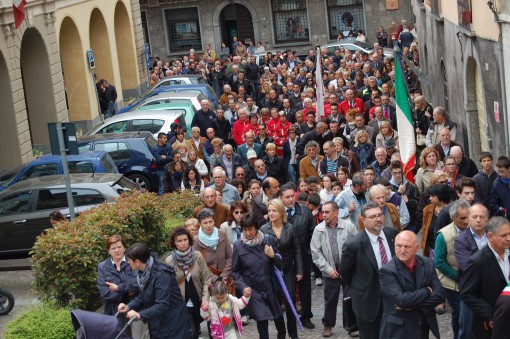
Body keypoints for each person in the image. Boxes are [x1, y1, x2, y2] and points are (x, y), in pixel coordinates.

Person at [340, 202, 399, 339]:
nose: (378, 219)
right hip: (368, 304)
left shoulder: (393, 235)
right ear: (363, 220)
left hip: (394, 300)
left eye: (380, 215)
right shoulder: (353, 245)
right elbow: (345, 274)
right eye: (373, 216)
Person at [379, 231, 445, 339]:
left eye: (407, 246)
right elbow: (402, 300)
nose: (402, 250)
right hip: (398, 330)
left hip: (422, 326)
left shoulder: (427, 263)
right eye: (399, 246)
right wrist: (427, 290)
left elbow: (440, 294)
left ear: (417, 247)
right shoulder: (387, 271)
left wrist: (410, 305)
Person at [231, 212, 287, 339]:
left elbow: (280, 263)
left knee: (279, 319)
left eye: (250, 229)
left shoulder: (267, 240)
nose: (248, 233)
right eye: (245, 230)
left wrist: (272, 256)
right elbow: (235, 271)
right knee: (262, 320)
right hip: (253, 290)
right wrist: (243, 286)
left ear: (256, 227)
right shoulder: (238, 245)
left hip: (270, 287)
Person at [118, 243, 191, 339]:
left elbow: (162, 304)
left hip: (174, 323)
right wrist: (128, 306)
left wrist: (140, 315)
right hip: (158, 323)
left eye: (129, 260)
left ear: (137, 262)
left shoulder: (162, 275)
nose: (127, 262)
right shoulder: (142, 273)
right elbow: (143, 296)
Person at [310, 201, 357, 337]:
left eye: (327, 212)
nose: (323, 215)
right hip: (329, 272)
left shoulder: (349, 227)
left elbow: (356, 248)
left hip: (348, 271)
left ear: (336, 213)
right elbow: (315, 252)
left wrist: (349, 267)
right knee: (330, 299)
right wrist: (328, 269)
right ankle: (328, 324)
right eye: (322, 212)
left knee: (350, 298)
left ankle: (352, 326)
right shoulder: (318, 229)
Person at [460, 217, 510, 339]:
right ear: (490, 236)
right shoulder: (477, 261)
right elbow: (467, 294)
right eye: (503, 235)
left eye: (509, 234)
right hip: (491, 324)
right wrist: (490, 314)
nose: (508, 238)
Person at [260, 199, 303, 339]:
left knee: (290, 299)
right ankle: (281, 332)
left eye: (274, 210)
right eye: (269, 210)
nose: (271, 213)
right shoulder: (263, 229)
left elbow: (297, 249)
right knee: (276, 302)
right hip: (272, 271)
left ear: (281, 212)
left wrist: (300, 270)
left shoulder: (290, 228)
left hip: (288, 269)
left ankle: (293, 332)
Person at [164, 227, 212, 337]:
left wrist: (205, 299)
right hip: (182, 303)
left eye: (185, 240)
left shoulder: (197, 256)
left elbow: (206, 280)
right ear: (174, 243)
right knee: (191, 332)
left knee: (206, 328)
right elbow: (170, 285)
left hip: (199, 300)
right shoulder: (169, 261)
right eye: (179, 241)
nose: (183, 243)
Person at [434, 199, 471, 338]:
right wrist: (458, 276)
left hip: (471, 280)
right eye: (462, 218)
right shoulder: (443, 235)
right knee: (460, 311)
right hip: (452, 281)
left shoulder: (475, 230)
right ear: (453, 217)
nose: (467, 221)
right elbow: (439, 262)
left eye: (469, 217)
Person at [454, 203, 489, 339]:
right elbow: (468, 267)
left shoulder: (493, 236)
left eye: (482, 216)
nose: (478, 220)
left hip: (491, 291)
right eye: (475, 217)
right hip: (470, 291)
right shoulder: (461, 240)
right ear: (468, 218)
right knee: (466, 329)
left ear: (487, 219)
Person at [97, 234, 138, 320]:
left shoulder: (133, 261)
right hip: (114, 312)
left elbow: (137, 283)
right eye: (113, 248)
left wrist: (118, 288)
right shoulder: (102, 267)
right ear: (109, 251)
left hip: (135, 308)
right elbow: (104, 292)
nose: (117, 250)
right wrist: (127, 293)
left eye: (119, 247)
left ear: (124, 248)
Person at [194, 208, 233, 285]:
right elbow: (199, 265)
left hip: (225, 278)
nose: (209, 225)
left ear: (214, 221)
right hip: (208, 281)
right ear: (200, 224)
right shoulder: (196, 241)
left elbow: (230, 256)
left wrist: (224, 276)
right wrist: (215, 279)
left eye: (210, 222)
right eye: (205, 223)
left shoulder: (221, 234)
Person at [421, 184, 452, 257]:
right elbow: (424, 228)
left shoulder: (452, 209)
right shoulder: (427, 209)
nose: (430, 198)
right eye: (430, 196)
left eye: (433, 196)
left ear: (440, 195)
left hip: (448, 250)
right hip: (432, 248)